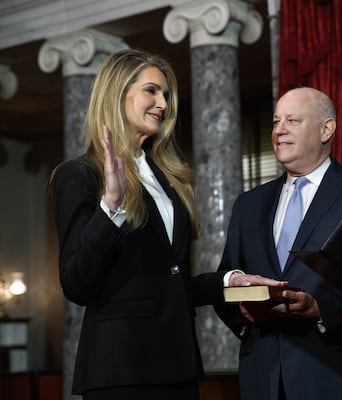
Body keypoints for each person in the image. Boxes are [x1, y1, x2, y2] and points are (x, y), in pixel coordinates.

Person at [50, 48, 283, 400]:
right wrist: (110, 206)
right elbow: (76, 284)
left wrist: (229, 281)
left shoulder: (168, 180)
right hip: (121, 370)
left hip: (178, 366)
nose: (163, 103)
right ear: (118, 92)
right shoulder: (79, 175)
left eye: (166, 95)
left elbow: (167, 280)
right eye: (152, 91)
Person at [213, 87, 342, 400]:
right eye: (276, 121)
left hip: (337, 376)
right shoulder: (249, 204)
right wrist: (244, 310)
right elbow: (227, 276)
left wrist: (322, 310)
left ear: (326, 129)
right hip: (263, 378)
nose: (279, 130)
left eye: (292, 120)